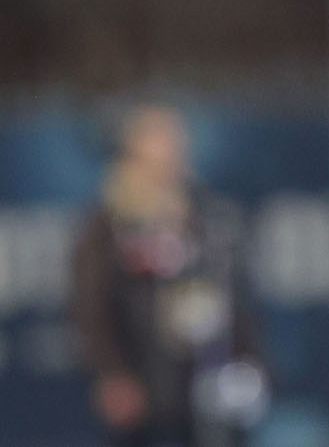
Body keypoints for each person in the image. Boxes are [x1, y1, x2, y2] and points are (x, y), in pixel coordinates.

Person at [71, 104, 265, 447]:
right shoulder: (109, 222)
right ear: (134, 151)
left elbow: (233, 296)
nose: (171, 150)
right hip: (146, 387)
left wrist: (249, 360)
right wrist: (112, 372)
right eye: (159, 140)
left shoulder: (206, 212)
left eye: (175, 140)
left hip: (208, 384)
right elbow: (89, 305)